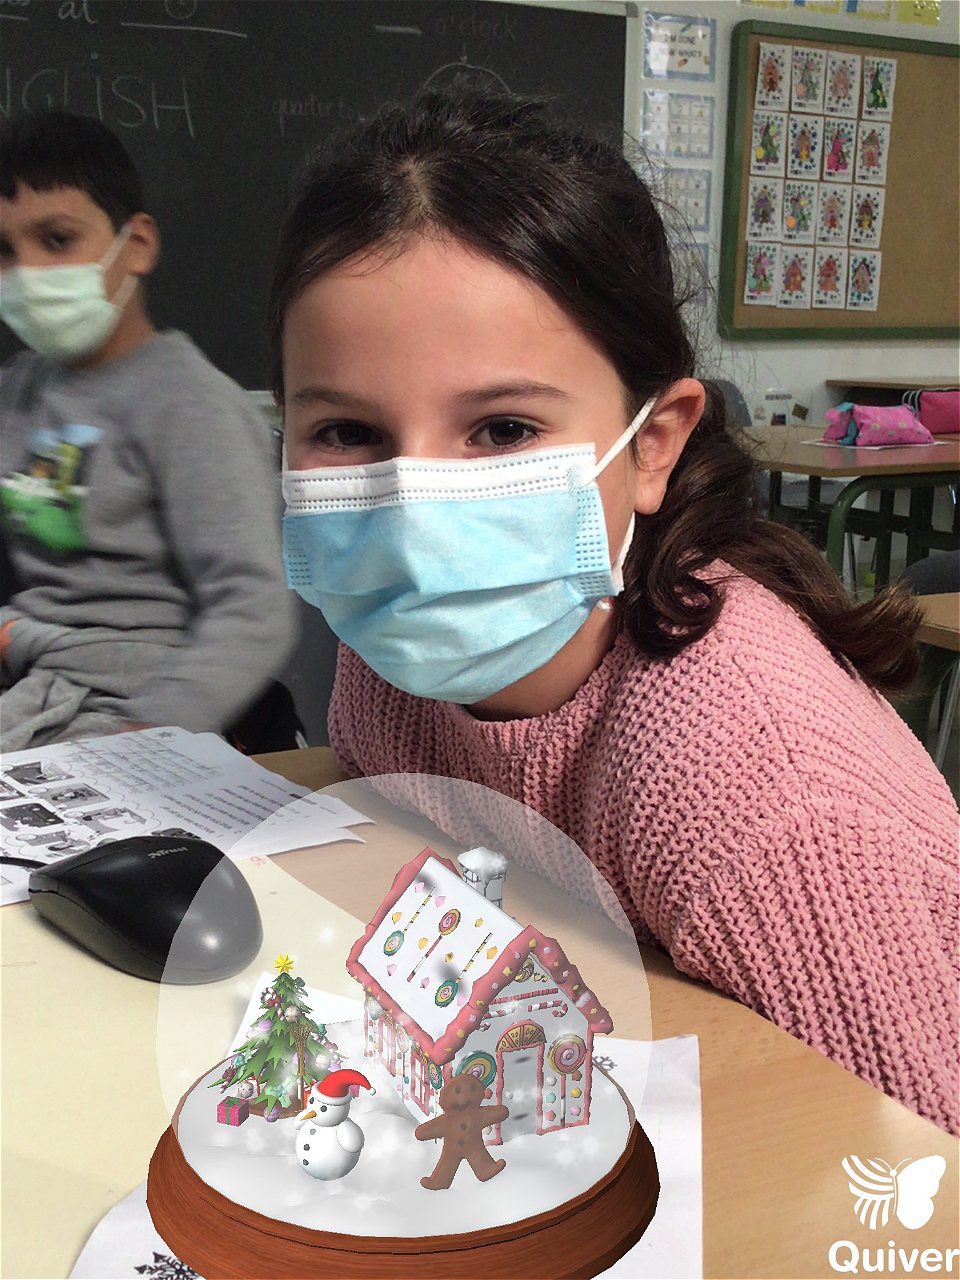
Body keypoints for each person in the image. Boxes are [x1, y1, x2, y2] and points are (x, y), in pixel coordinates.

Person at [272, 92, 958, 1133]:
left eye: (503, 428)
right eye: (347, 432)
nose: (409, 520)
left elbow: (918, 1166)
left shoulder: (750, 788)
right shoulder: (395, 651)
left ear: (654, 444)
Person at [0, 112, 296, 748]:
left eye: (56, 239)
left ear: (136, 245)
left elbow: (253, 608)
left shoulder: (193, 406)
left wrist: (149, 736)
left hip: (128, 707)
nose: (26, 272)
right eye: (3, 252)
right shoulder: (18, 390)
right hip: (28, 674)